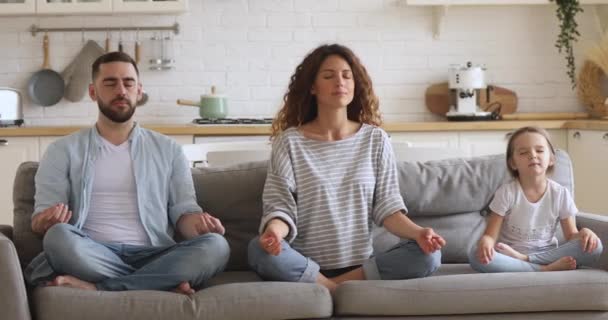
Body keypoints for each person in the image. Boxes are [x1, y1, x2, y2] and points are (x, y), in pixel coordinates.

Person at [24, 52, 230, 295]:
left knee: (216, 246)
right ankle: (159, 284)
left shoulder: (168, 149)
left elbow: (183, 212)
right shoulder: (62, 150)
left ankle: (98, 287)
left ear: (139, 90)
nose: (121, 90)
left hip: (154, 254)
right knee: (57, 238)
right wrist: (46, 222)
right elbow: (40, 222)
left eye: (128, 83)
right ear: (93, 92)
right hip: (92, 253)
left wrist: (199, 225)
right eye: (110, 83)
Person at [247, 44, 446, 292]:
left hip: (361, 265)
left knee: (430, 255)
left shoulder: (375, 139)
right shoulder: (290, 141)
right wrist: (274, 234)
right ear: (312, 87)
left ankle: (329, 288)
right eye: (328, 76)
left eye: (346, 75)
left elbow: (388, 208)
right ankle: (335, 287)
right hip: (304, 262)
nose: (339, 82)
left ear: (355, 85)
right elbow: (280, 206)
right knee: (258, 249)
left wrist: (419, 233)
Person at [469, 126, 603, 273]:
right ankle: (543, 269)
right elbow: (490, 235)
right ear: (513, 163)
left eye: (539, 150)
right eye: (523, 152)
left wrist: (585, 233)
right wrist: (485, 242)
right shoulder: (506, 192)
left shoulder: (560, 193)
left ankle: (528, 262)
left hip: (548, 255)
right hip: (510, 256)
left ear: (551, 159)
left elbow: (571, 235)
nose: (532, 155)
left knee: (596, 247)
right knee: (475, 256)